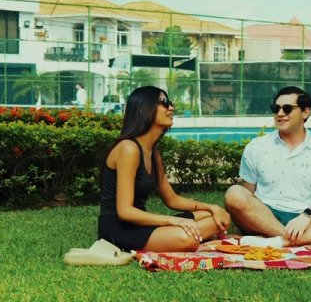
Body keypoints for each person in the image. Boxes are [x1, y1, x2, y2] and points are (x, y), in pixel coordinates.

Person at [98, 86, 230, 252]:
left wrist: (212, 207)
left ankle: (190, 235)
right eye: (164, 103)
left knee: (218, 217)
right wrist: (173, 221)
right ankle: (189, 237)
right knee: (187, 238)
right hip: (118, 230)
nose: (171, 108)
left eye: (170, 103)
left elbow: (172, 199)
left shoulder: (154, 153)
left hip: (141, 224)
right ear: (144, 108)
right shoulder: (128, 149)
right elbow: (124, 211)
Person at [225, 86, 311, 247]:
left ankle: (276, 242)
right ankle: (300, 241)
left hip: (306, 220)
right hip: (265, 216)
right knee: (234, 194)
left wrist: (306, 216)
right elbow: (247, 194)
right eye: (276, 108)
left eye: (287, 109)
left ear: (305, 112)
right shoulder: (257, 146)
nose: (280, 113)